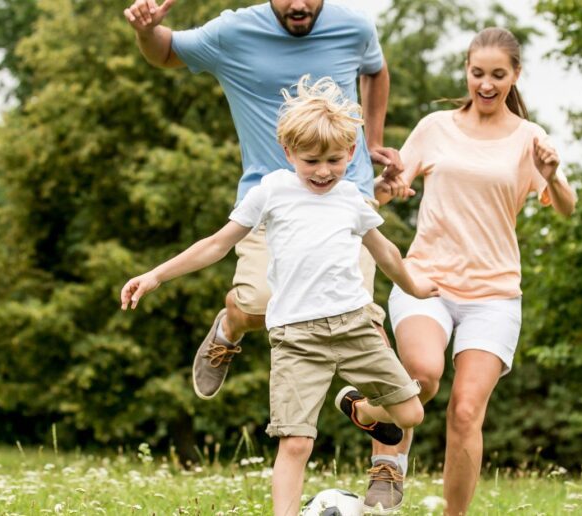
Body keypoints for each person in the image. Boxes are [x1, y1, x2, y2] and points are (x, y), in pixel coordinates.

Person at [119, 76, 434, 516]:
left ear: (350, 154)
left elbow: (387, 254)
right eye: (311, 161)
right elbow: (217, 243)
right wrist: (156, 275)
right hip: (296, 338)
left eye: (335, 160)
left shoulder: (351, 200)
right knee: (296, 440)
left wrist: (417, 287)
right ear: (288, 154)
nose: (323, 171)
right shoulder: (271, 192)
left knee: (411, 414)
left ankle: (362, 411)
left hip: (354, 326)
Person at [123, 0, 408, 400]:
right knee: (259, 307)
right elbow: (166, 52)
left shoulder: (354, 27)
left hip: (348, 196)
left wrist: (373, 140)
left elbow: (375, 70)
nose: (298, 4)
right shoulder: (232, 33)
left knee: (362, 319)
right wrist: (146, 31)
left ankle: (389, 461)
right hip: (270, 204)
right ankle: (230, 326)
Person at [366, 27, 577, 514]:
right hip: (427, 279)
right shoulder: (435, 126)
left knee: (465, 411)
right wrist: (389, 183)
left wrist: (550, 174)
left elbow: (566, 206)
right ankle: (388, 464)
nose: (486, 84)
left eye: (498, 75)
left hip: (495, 294)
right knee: (422, 372)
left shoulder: (531, 139)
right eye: (477, 73)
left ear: (515, 75)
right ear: (467, 70)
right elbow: (382, 191)